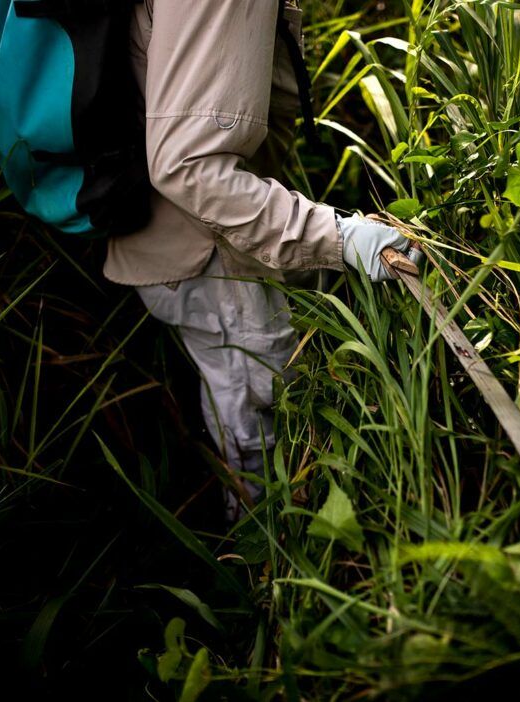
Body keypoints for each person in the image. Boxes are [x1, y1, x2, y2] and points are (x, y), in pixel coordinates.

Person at [102, 0, 421, 517]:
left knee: (248, 414)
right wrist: (339, 238)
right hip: (207, 253)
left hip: (188, 237)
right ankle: (264, 575)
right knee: (266, 445)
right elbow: (191, 168)